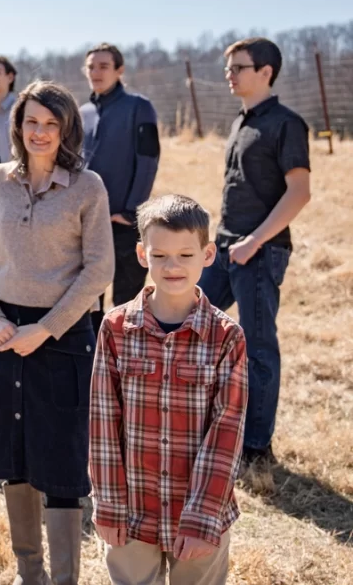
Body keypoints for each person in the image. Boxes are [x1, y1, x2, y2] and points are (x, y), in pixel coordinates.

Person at [0, 80, 114, 585]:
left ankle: (64, 579)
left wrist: (45, 329)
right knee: (15, 457)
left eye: (51, 123)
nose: (41, 132)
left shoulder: (87, 186)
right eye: (32, 122)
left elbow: (98, 271)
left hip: (65, 335)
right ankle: (32, 574)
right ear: (17, 125)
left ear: (67, 127)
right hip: (4, 334)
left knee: (62, 461)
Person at [91, 194, 248, 585]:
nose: (172, 266)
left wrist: (202, 516)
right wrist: (109, 504)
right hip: (132, 510)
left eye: (185, 255)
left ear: (208, 254)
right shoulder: (115, 329)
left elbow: (226, 431)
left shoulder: (226, 336)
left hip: (198, 514)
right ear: (142, 254)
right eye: (160, 256)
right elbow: (103, 422)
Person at [199, 37, 311, 473]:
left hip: (260, 253)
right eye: (229, 67)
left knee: (259, 348)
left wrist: (256, 242)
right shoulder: (240, 122)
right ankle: (209, 422)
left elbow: (299, 193)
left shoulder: (286, 123)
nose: (230, 74)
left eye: (239, 67)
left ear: (265, 72)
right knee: (196, 322)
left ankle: (256, 449)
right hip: (226, 247)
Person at [78, 43, 160, 333]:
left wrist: (131, 211)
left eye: (103, 66)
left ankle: (126, 369)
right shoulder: (81, 113)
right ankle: (92, 368)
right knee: (88, 304)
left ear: (119, 70)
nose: (96, 72)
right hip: (87, 223)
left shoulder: (140, 107)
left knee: (127, 305)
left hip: (124, 223)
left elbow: (149, 159)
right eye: (91, 67)